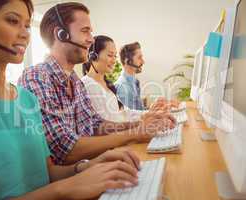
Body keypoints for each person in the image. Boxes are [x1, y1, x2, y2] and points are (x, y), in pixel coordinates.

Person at [0, 1, 146, 199]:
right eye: (12, 20)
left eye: (26, 25)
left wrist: (88, 166)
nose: (25, 34)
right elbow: (60, 172)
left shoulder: (26, 99)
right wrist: (65, 188)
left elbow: (47, 173)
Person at [18, 2, 176, 165]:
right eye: (85, 31)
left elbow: (95, 125)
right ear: (61, 34)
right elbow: (65, 150)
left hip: (90, 168)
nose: (91, 39)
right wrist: (135, 133)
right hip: (71, 179)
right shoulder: (37, 77)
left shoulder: (75, 81)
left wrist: (141, 124)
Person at [81, 35, 147, 122]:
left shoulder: (107, 84)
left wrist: (150, 113)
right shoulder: (89, 85)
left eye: (115, 56)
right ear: (93, 56)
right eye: (110, 55)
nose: (114, 60)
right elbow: (105, 125)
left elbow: (124, 112)